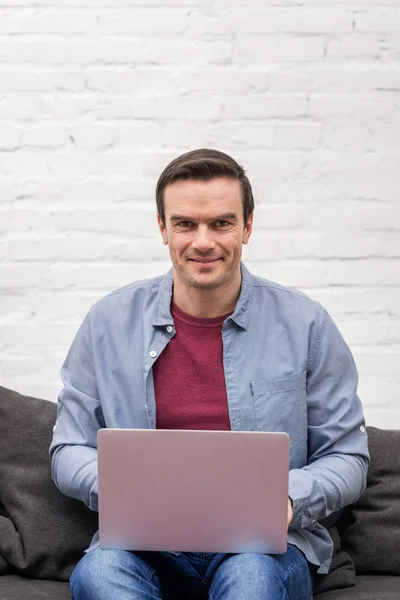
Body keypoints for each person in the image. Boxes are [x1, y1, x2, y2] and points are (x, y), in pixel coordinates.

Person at [50, 148, 369, 600]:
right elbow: (67, 448)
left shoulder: (307, 324)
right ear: (163, 229)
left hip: (264, 548)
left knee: (253, 583)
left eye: (221, 222)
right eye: (185, 224)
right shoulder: (107, 323)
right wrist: (124, 488)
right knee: (99, 577)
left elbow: (349, 457)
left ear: (248, 226)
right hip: (143, 545)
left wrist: (287, 499)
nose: (203, 241)